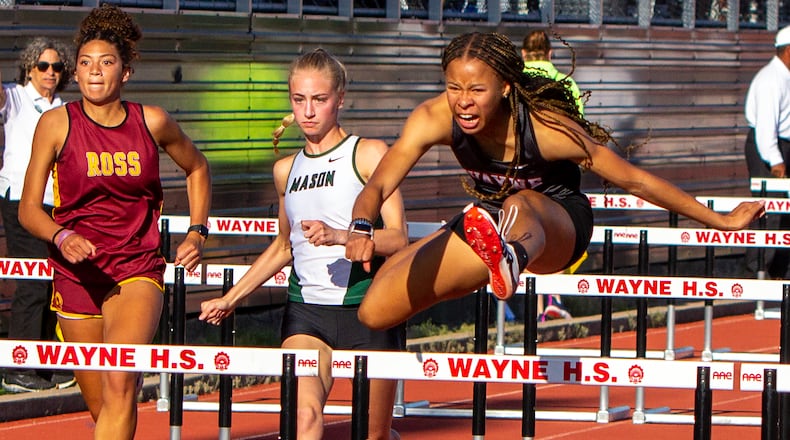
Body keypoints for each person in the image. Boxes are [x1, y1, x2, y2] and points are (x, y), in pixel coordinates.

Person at [345, 32, 765, 332]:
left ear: (505, 87)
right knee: (375, 310)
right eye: (454, 88)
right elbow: (377, 185)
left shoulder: (546, 128)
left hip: (557, 223)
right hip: (491, 220)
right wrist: (361, 226)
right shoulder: (433, 117)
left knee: (521, 202)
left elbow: (635, 180)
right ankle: (492, 263)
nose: (463, 102)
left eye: (476, 90)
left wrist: (720, 221)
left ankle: (510, 258)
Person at [19, 4, 211, 439]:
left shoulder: (152, 121)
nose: (94, 71)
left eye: (106, 63)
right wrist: (61, 235)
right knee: (103, 405)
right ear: (75, 72)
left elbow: (198, 167)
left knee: (121, 382)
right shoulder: (55, 124)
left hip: (135, 269)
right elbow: (28, 209)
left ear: (125, 72)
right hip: (77, 273)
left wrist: (197, 231)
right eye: (85, 62)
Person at [199, 49, 407, 440]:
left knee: (373, 435)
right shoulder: (286, 169)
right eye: (299, 100)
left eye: (319, 99)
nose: (308, 111)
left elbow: (398, 238)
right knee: (303, 419)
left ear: (340, 98)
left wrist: (343, 235)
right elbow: (284, 247)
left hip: (370, 308)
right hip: (307, 312)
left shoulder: (369, 153)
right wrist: (231, 298)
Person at [0, 37, 76, 392]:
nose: (50, 72)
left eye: (57, 67)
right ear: (29, 68)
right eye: (43, 65)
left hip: (55, 204)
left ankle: (45, 361)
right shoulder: (15, 98)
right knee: (31, 282)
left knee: (53, 282)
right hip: (20, 201)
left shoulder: (65, 108)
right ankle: (18, 366)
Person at [742, 25, 790, 280]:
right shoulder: (771, 79)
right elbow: (765, 128)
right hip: (769, 148)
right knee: (768, 210)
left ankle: (779, 271)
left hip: (782, 146)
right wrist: (776, 161)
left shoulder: (785, 77)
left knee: (784, 213)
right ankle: (757, 271)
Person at [522, 29, 584, 115]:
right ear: (549, 53)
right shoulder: (567, 83)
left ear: (523, 53)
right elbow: (579, 117)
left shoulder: (513, 82)